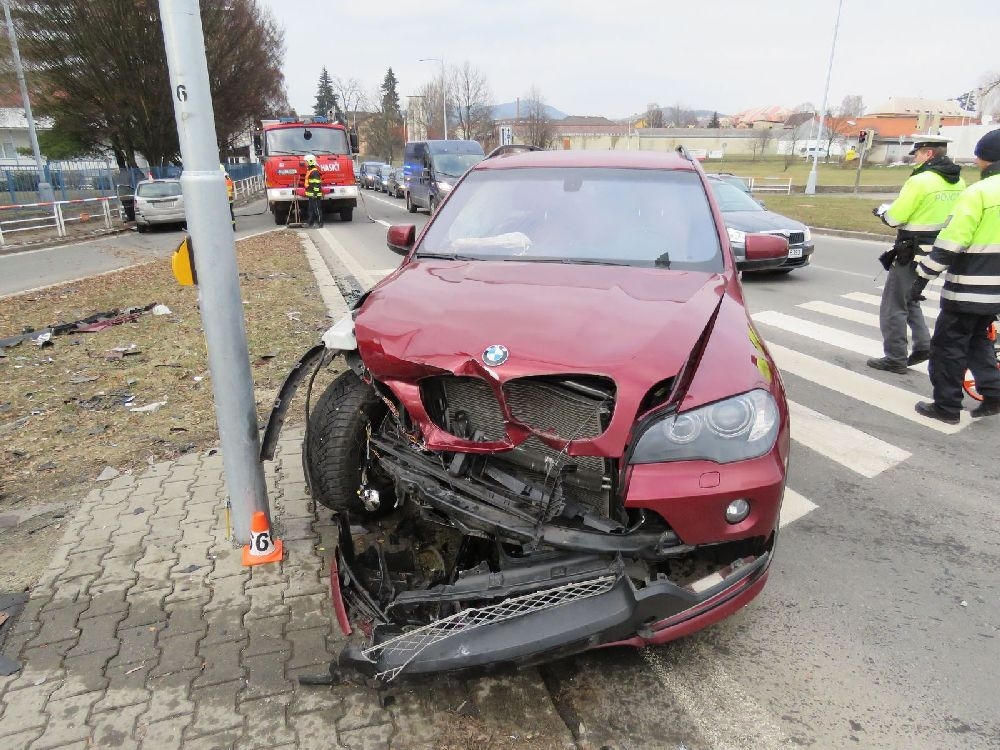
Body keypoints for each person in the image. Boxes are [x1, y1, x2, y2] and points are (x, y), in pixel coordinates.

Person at [909, 129, 1000, 423]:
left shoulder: (979, 193)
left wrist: (922, 277)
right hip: (995, 293)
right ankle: (994, 395)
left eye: (978, 154)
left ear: (987, 158)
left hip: (967, 289)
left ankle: (946, 407)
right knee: (978, 341)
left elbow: (950, 242)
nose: (975, 160)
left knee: (948, 347)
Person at [868, 134, 965, 374]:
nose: (915, 158)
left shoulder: (921, 181)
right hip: (939, 251)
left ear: (929, 154)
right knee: (911, 297)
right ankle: (923, 345)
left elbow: (895, 218)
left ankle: (895, 357)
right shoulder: (958, 181)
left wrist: (883, 213)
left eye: (918, 153)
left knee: (893, 305)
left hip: (912, 250)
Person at [304, 154, 323, 228]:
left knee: (317, 209)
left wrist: (315, 193)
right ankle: (310, 222)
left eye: (306, 161)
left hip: (315, 195)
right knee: (311, 209)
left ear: (310, 162)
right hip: (311, 194)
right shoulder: (310, 170)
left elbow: (316, 184)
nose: (305, 163)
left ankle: (320, 223)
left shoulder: (314, 172)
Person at [221, 164, 235, 230]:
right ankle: (233, 227)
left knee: (224, 213)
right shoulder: (228, 178)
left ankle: (226, 228)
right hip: (230, 198)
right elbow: (232, 188)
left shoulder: (220, 179)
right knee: (230, 212)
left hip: (223, 199)